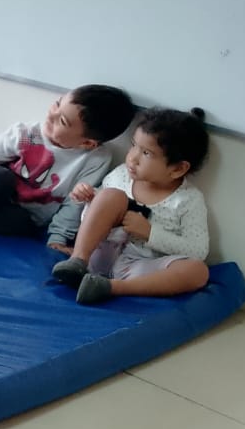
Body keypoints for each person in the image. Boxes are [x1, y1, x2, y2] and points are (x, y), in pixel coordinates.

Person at [0, 85, 135, 251]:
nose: (52, 114)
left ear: (87, 143)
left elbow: (74, 202)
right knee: (1, 177)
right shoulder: (29, 135)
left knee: (21, 223)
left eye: (63, 121)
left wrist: (57, 237)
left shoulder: (94, 159)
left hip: (23, 212)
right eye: (58, 104)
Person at [52, 107, 212, 305]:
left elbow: (198, 250)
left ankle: (109, 288)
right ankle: (77, 262)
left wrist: (150, 233)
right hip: (98, 253)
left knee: (198, 271)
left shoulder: (188, 200)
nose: (132, 158)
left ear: (178, 168)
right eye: (134, 145)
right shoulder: (121, 175)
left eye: (146, 153)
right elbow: (93, 217)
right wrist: (89, 199)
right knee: (111, 196)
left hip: (138, 267)